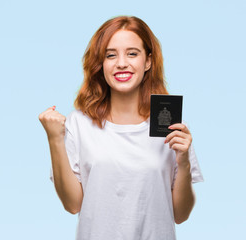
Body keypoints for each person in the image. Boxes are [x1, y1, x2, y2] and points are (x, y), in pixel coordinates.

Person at [38, 16, 204, 240]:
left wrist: (183, 162)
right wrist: (54, 139)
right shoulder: (79, 123)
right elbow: (72, 204)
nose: (121, 63)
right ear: (101, 64)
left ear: (148, 61)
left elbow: (181, 214)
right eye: (111, 55)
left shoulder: (170, 127)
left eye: (132, 53)